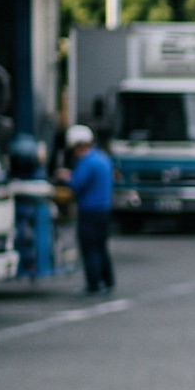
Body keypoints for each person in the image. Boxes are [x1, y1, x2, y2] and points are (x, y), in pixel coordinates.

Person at [64, 125, 115, 295]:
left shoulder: (87, 162)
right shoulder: (103, 158)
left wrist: (66, 177)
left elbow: (77, 184)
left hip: (89, 210)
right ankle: (108, 280)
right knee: (101, 246)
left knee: (90, 248)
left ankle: (93, 283)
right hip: (104, 210)